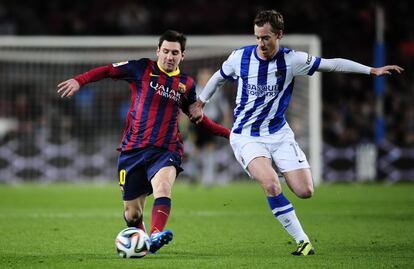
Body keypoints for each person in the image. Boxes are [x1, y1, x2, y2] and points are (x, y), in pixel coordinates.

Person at [189, 10, 404, 256]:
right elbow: (219, 76)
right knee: (270, 184)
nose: (261, 43)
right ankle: (303, 241)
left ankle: (274, 174)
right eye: (258, 37)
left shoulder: (293, 60)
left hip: (279, 134)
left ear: (279, 35)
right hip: (246, 135)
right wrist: (202, 102)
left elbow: (332, 65)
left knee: (305, 191)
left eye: (266, 38)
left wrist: (372, 71)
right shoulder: (240, 57)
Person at [57, 30, 230, 254]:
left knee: (163, 187)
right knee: (132, 214)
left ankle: (156, 234)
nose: (169, 56)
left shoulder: (186, 84)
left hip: (166, 149)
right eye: (166, 51)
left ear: (182, 56)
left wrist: (229, 134)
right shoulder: (141, 68)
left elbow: (198, 118)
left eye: (175, 53)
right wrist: (80, 81)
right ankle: (144, 240)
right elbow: (108, 70)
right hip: (132, 151)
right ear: (158, 51)